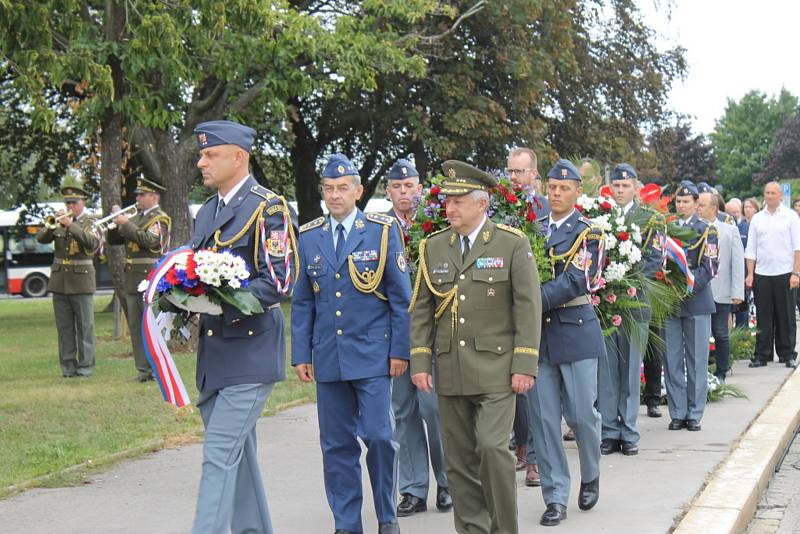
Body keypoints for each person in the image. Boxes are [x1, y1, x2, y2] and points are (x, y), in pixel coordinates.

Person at [409, 160, 541, 534]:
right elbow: (422, 308)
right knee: (460, 460)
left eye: (460, 200)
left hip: (498, 370)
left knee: (493, 450)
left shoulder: (511, 243)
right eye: (448, 201)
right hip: (451, 369)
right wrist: (420, 360)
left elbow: (528, 306)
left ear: (482, 204)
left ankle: (503, 528)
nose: (450, 208)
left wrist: (525, 364)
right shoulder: (433, 247)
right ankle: (471, 529)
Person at [292, 154, 410, 534]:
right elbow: (302, 300)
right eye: (329, 188)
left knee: (379, 437)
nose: (335, 195)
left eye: (343, 188)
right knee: (336, 446)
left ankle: (387, 516)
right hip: (329, 357)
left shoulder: (381, 229)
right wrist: (300, 354)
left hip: (374, 355)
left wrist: (399, 351)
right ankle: (346, 523)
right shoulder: (309, 235)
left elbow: (399, 298)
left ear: (359, 191)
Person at [190, 119, 298, 534]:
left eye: (210, 154)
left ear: (238, 157)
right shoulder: (207, 212)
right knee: (239, 457)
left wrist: (213, 302)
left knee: (218, 454)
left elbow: (279, 282)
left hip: (250, 351)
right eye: (202, 154)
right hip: (215, 356)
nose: (201, 162)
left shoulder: (267, 207)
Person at [529, 159, 604, 527]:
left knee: (581, 415)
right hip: (538, 337)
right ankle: (555, 495)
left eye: (564, 188)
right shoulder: (532, 230)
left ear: (577, 192)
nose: (556, 194)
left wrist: (527, 300)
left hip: (575, 331)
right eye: (552, 188)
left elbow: (577, 280)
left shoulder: (589, 233)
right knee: (543, 420)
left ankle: (591, 472)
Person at [383, 158, 452, 516]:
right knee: (403, 410)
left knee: (434, 408)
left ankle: (447, 481)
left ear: (420, 188)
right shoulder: (379, 227)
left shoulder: (434, 225)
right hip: (395, 333)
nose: (404, 193)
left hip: (431, 329)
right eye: (397, 187)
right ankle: (412, 488)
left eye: (410, 186)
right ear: (388, 191)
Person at [598, 163, 664, 457]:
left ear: (636, 187)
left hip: (634, 302)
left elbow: (654, 260)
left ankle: (630, 432)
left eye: (626, 186)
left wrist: (625, 278)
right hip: (607, 303)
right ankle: (609, 431)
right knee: (608, 370)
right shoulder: (601, 217)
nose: (620, 191)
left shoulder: (651, 219)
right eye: (616, 186)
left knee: (629, 368)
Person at [506, 146, 549, 486]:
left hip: (536, 304)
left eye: (521, 172)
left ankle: (534, 458)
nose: (515, 178)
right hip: (504, 306)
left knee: (531, 382)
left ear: (535, 174)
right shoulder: (500, 208)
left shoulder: (545, 209)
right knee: (514, 386)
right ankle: (522, 443)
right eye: (511, 172)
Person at [663, 181, 718, 432]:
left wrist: (686, 287)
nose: (682, 205)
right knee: (671, 359)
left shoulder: (708, 231)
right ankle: (678, 412)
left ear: (697, 204)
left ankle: (695, 413)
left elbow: (710, 267)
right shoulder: (667, 229)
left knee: (696, 360)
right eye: (679, 202)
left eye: (687, 201)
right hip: (671, 303)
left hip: (696, 301)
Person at [106, 178, 171, 382]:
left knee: (152, 324)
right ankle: (143, 370)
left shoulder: (160, 218)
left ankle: (157, 368)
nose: (137, 198)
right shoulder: (135, 218)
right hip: (133, 276)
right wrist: (115, 223)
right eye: (137, 195)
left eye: (142, 195)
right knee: (136, 325)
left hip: (149, 276)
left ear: (154, 197)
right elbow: (115, 241)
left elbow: (150, 242)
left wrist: (126, 223)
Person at [36, 183, 100, 378]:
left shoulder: (90, 222)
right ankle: (68, 366)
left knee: (85, 327)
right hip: (60, 281)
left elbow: (92, 243)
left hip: (81, 280)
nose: (70, 206)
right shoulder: (59, 222)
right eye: (68, 202)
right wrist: (52, 225)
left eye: (74, 202)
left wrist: (70, 225)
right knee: (64, 327)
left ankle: (86, 366)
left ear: (83, 203)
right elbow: (41, 238)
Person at [745, 182, 800, 369]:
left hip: (785, 272)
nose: (769, 196)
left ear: (780, 196)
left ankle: (787, 354)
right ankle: (762, 354)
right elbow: (751, 249)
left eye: (773, 193)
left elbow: (797, 248)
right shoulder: (757, 219)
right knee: (763, 315)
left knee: (786, 316)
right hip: (762, 273)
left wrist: (796, 273)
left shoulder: (791, 217)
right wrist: (750, 274)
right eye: (767, 192)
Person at [697, 190, 744, 382]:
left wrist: (737, 291)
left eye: (702, 205)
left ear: (714, 209)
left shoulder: (729, 231)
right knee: (699, 335)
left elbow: (737, 262)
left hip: (721, 290)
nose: (698, 208)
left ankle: (721, 371)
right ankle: (702, 370)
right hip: (698, 292)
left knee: (721, 333)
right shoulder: (693, 229)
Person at [507, 147, 550, 219]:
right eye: (510, 171)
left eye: (518, 171)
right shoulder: (499, 203)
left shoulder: (548, 209)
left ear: (533, 173)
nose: (512, 177)